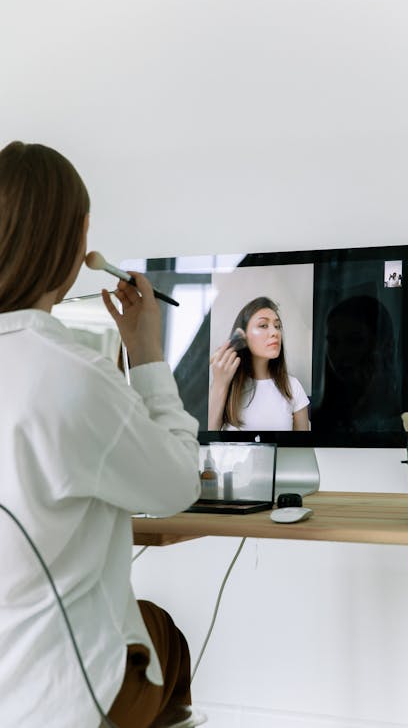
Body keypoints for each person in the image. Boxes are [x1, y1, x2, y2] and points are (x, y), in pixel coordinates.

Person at [0, 142, 204, 728]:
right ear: (80, 235)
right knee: (164, 638)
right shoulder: (72, 374)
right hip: (55, 700)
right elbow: (177, 486)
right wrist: (145, 354)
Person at [208, 296, 309, 431]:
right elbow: (207, 440)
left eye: (277, 326)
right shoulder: (227, 385)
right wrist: (220, 384)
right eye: (263, 325)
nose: (275, 333)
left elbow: (302, 448)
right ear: (243, 336)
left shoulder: (293, 387)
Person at [312, 295, 401, 436]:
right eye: (333, 342)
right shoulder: (313, 418)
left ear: (381, 346)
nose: (340, 353)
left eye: (354, 341)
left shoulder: (399, 419)